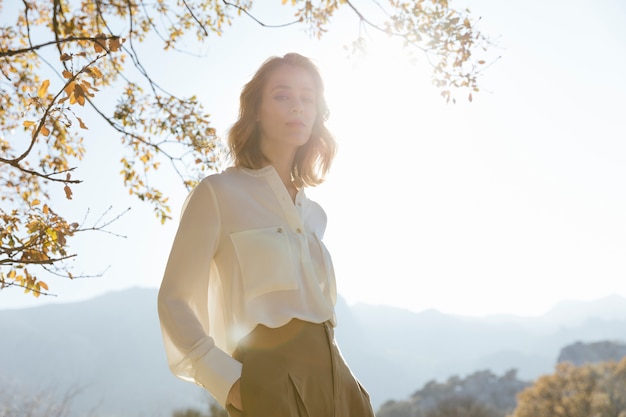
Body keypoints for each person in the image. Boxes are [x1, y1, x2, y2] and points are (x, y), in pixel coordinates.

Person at [157, 52, 375, 417]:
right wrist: (231, 383)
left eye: (308, 98)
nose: (298, 107)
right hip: (267, 384)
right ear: (256, 110)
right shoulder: (218, 193)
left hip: (340, 382)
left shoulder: (314, 213)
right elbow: (174, 300)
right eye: (282, 95)